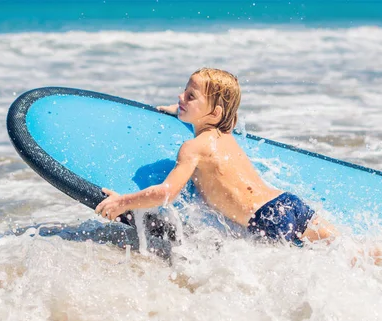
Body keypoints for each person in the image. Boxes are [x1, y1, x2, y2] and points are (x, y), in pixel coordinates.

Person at [95, 67, 338, 245]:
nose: (181, 97)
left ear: (214, 112)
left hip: (265, 221)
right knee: (344, 249)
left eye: (190, 97)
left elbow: (166, 192)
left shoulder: (193, 147)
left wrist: (122, 202)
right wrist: (181, 112)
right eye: (184, 92)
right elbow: (214, 120)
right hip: (287, 204)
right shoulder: (225, 132)